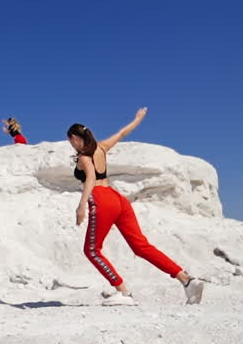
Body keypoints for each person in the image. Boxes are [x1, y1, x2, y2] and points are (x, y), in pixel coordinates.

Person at [68, 108, 204, 305]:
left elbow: (90, 177)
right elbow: (122, 133)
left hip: (101, 199)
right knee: (141, 246)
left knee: (92, 250)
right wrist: (138, 119)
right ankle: (187, 280)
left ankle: (122, 292)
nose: (71, 144)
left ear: (74, 138)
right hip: (118, 199)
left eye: (70, 141)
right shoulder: (101, 148)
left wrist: (81, 205)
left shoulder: (83, 156)